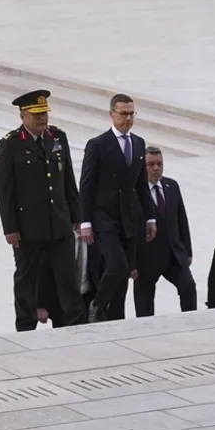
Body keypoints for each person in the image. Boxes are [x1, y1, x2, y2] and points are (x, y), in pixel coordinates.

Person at [0, 90, 90, 331]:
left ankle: (75, 324)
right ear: (23, 116)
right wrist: (10, 228)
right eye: (36, 115)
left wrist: (77, 216)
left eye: (44, 113)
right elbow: (4, 190)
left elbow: (68, 179)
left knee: (68, 278)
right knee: (26, 280)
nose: (42, 119)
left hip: (59, 223)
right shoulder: (11, 144)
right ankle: (25, 326)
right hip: (28, 227)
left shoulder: (57, 137)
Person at [80, 93, 152, 322]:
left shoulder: (139, 143)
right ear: (112, 114)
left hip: (129, 218)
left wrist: (150, 218)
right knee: (117, 266)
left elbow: (141, 184)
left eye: (131, 114)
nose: (128, 118)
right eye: (123, 113)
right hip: (104, 217)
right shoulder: (98, 145)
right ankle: (98, 304)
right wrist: (85, 222)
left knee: (124, 278)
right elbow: (86, 186)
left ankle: (116, 318)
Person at [133, 146, 197, 317]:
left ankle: (191, 322)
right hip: (146, 259)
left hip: (173, 256)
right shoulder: (134, 192)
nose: (156, 168)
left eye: (159, 164)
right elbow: (130, 229)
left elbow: (182, 220)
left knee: (188, 287)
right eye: (151, 164)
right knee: (144, 304)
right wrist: (131, 263)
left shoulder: (171, 186)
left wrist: (187, 252)